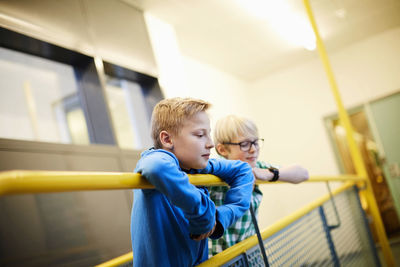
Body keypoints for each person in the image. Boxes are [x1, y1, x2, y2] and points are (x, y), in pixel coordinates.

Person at [130, 98, 254, 266]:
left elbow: (243, 170)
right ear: (167, 140)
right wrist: (204, 215)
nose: (210, 143)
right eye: (200, 135)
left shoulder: (196, 166)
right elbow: (156, 167)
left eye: (208, 134)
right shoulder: (157, 158)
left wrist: (219, 217)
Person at [209, 115, 309, 256]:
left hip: (250, 253)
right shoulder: (215, 171)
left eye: (256, 142)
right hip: (221, 257)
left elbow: (303, 173)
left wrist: (270, 174)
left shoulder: (257, 167)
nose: (253, 149)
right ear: (223, 150)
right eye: (244, 144)